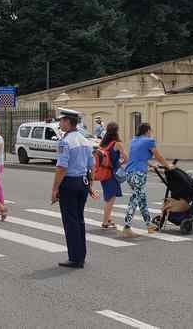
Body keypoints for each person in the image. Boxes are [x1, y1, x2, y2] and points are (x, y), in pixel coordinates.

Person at [50, 109, 98, 268]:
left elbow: (62, 167)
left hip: (69, 183)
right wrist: (90, 185)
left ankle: (75, 258)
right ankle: (80, 255)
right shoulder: (85, 140)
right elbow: (92, 165)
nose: (59, 123)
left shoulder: (65, 142)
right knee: (79, 219)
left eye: (61, 120)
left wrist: (55, 188)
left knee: (70, 221)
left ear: (68, 122)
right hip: (82, 182)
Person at [122, 122, 172, 238]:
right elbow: (158, 156)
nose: (151, 133)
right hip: (139, 174)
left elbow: (137, 157)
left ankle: (149, 225)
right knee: (134, 199)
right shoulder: (149, 141)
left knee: (142, 199)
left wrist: (151, 165)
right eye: (150, 131)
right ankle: (126, 227)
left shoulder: (134, 140)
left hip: (129, 173)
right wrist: (167, 166)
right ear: (148, 131)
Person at [98, 122, 127, 229]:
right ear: (117, 131)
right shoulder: (117, 144)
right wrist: (119, 163)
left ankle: (108, 219)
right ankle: (105, 222)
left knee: (108, 196)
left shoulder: (103, 144)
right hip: (112, 174)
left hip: (103, 173)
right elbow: (126, 158)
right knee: (110, 199)